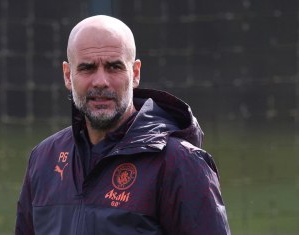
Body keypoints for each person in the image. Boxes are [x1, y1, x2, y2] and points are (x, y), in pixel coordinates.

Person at [15, 15, 230, 235]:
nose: (101, 81)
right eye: (87, 68)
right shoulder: (43, 159)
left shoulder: (179, 163)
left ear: (135, 73)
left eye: (114, 67)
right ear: (68, 75)